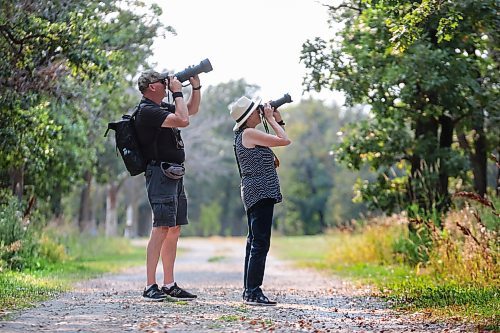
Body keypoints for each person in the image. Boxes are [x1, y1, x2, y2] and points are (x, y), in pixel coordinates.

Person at [135, 69, 202, 301]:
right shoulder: (147, 110)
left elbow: (190, 111)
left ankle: (169, 283)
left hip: (174, 173)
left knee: (174, 228)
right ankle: (149, 285)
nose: (166, 82)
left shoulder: (160, 107)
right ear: (152, 86)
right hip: (160, 173)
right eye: (161, 81)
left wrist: (195, 88)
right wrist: (177, 92)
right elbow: (183, 121)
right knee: (161, 227)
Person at [230, 95, 291, 306]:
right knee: (260, 243)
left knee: (254, 242)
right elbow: (284, 140)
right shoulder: (249, 133)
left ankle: (250, 290)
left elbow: (280, 137)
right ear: (248, 116)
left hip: (256, 192)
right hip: (260, 192)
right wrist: (272, 120)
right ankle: (253, 291)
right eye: (257, 111)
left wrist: (277, 119)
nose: (259, 112)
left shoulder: (246, 134)